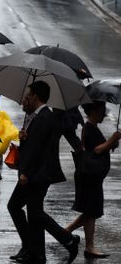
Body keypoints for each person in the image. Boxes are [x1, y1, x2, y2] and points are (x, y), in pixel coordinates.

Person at [7, 81, 80, 264]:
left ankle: (67, 240)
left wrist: (25, 172)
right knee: (33, 212)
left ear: (35, 97)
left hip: (37, 174)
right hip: (38, 172)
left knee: (18, 207)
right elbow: (34, 144)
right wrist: (24, 138)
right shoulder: (39, 116)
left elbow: (37, 149)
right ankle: (37, 254)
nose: (25, 99)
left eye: (27, 96)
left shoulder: (44, 117)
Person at [65, 101, 120, 259]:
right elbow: (97, 149)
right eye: (102, 110)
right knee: (91, 211)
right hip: (89, 175)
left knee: (91, 211)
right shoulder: (89, 127)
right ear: (95, 111)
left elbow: (98, 147)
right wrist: (112, 140)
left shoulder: (91, 127)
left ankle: (66, 231)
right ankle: (89, 246)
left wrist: (110, 144)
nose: (104, 113)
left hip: (91, 176)